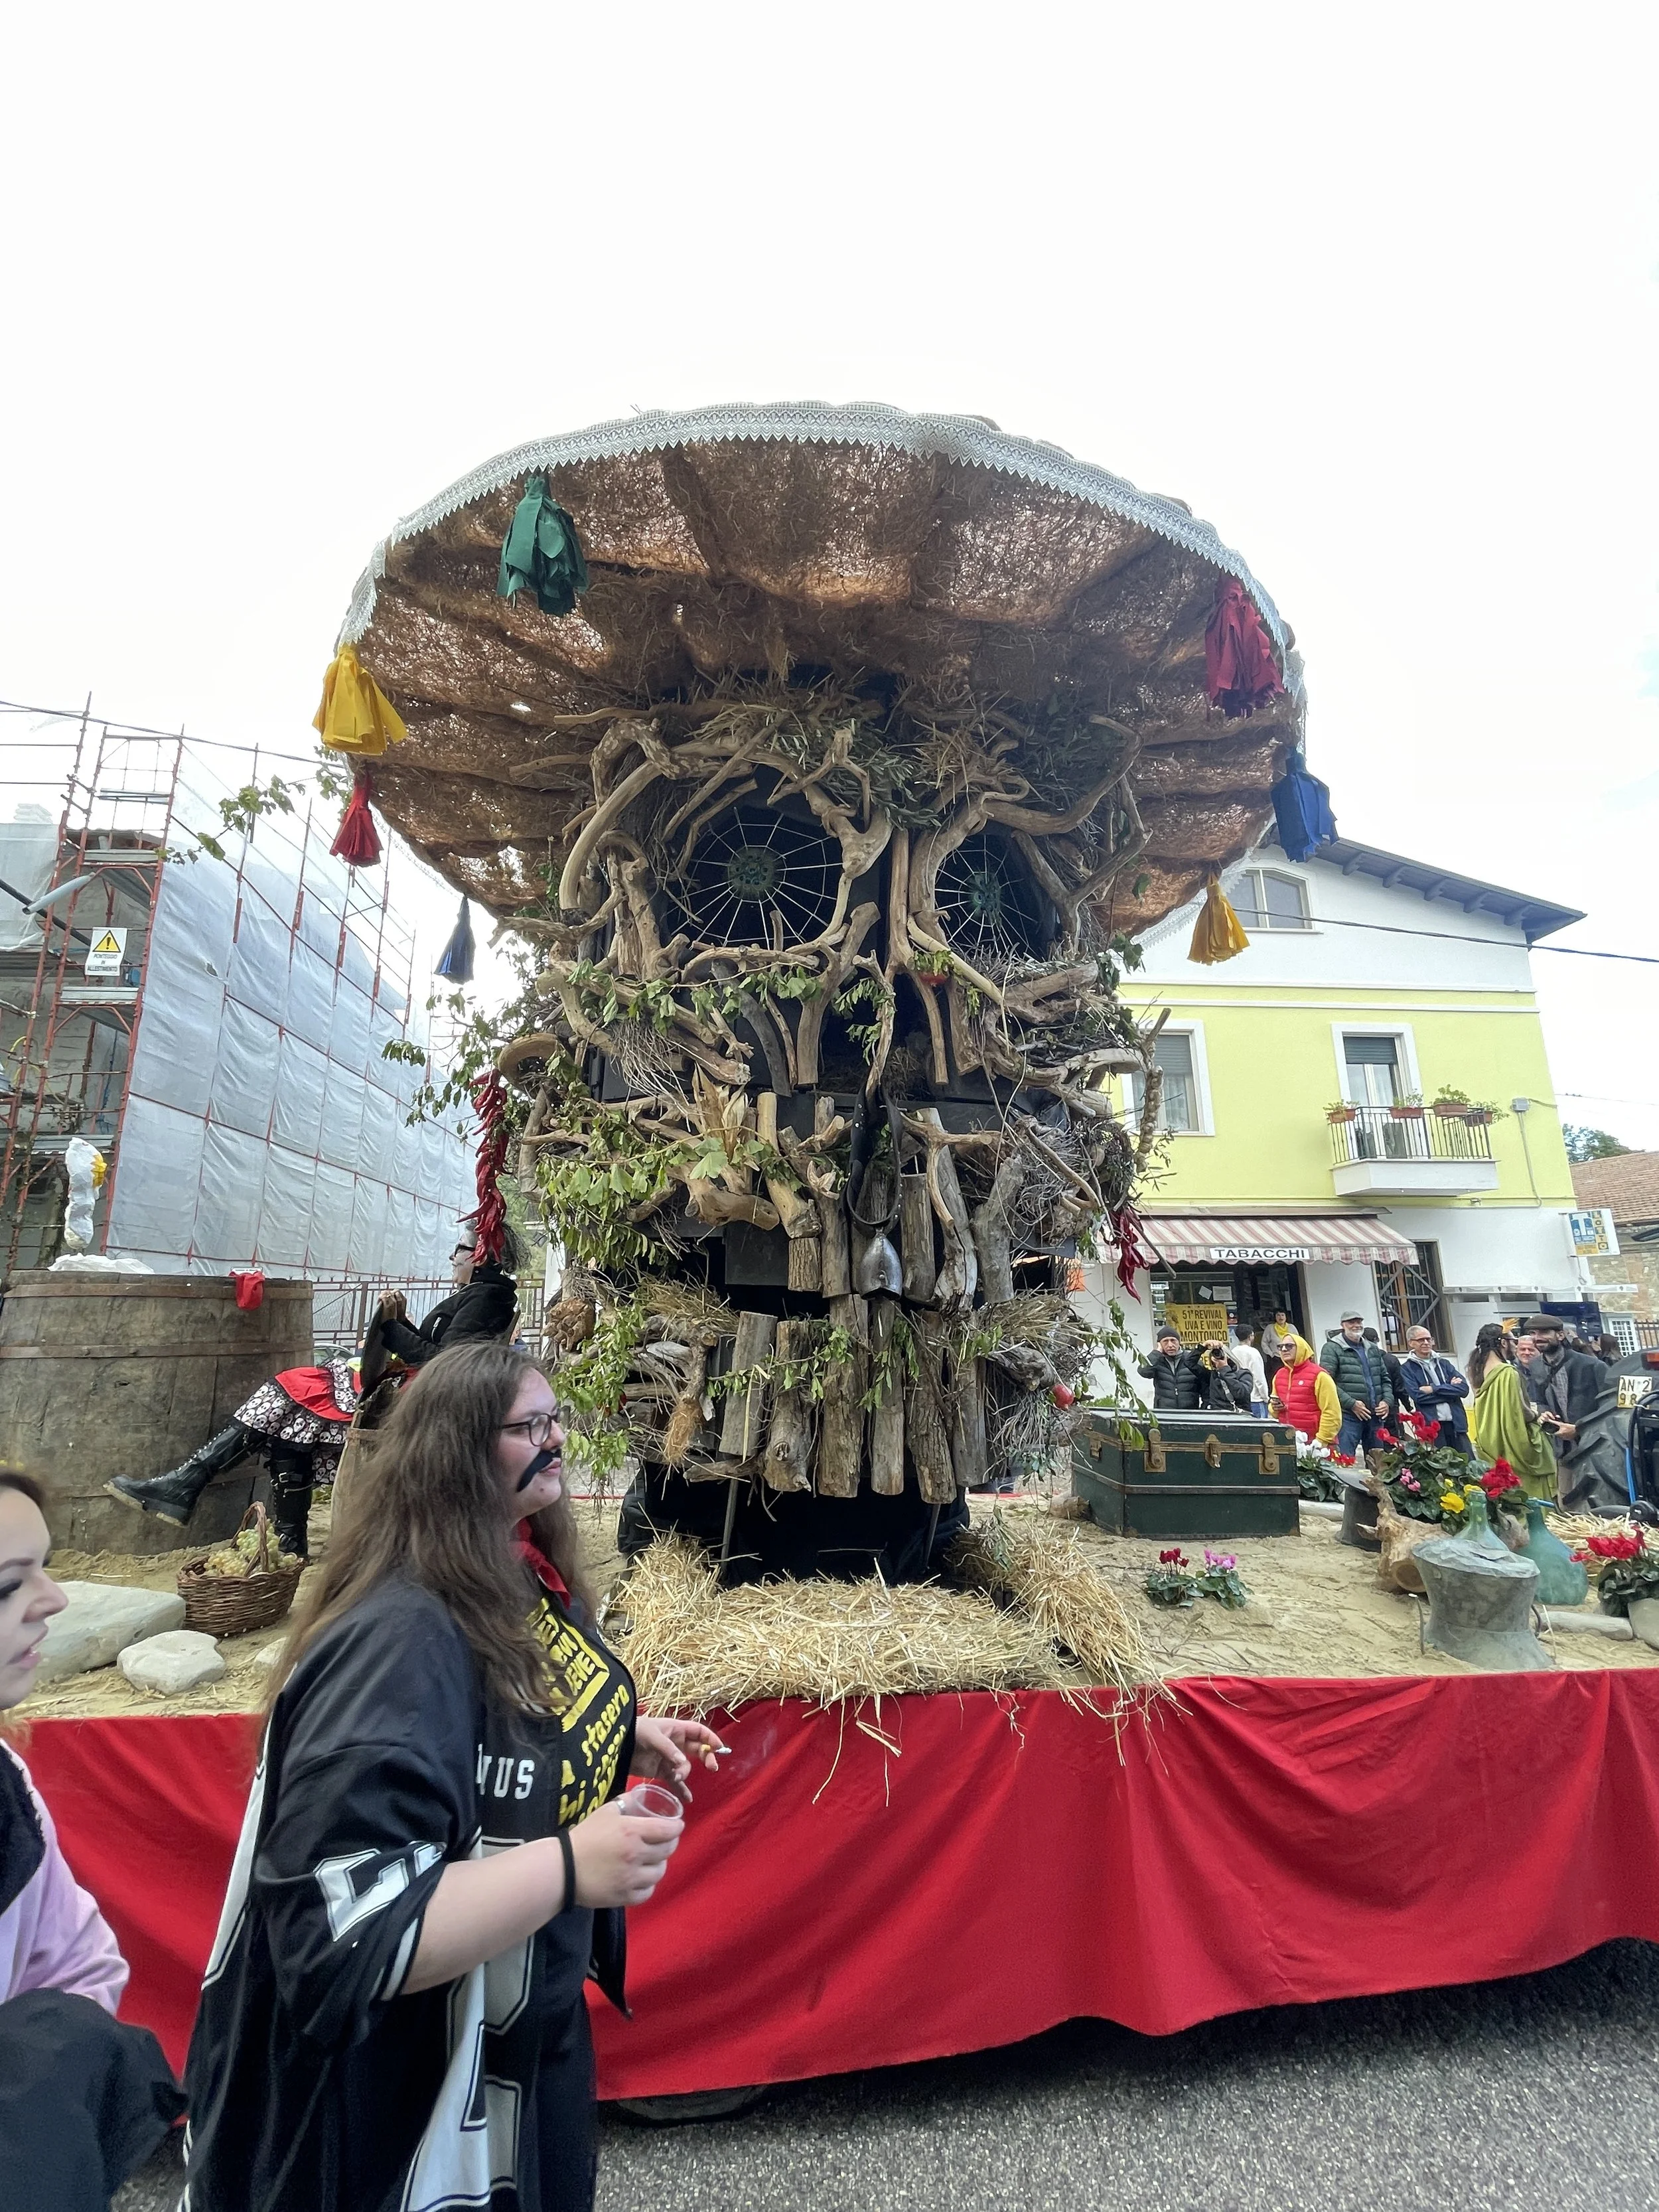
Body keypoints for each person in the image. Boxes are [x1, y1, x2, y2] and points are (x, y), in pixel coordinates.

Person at [180, 1343, 722, 2212]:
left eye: (556, 1422)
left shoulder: (512, 1570)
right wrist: (573, 1865)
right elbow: (339, 1935)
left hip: (508, 2041)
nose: (555, 1442)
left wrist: (607, 1739)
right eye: (527, 1427)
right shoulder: (397, 1638)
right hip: (403, 2094)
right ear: (457, 1453)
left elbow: (483, 1742)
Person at [0, 1471, 184, 2210]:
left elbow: (78, 1968)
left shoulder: (8, 1786)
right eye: (10, 1585)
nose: (55, 1600)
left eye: (46, 1568)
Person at [105, 1350, 356, 1559]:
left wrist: (389, 1326)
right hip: (378, 1377)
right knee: (293, 1417)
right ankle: (290, 1541)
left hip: (391, 1391)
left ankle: (186, 1482)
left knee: (301, 1389)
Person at [1523, 1314, 1624, 1514]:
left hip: (1599, 1450)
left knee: (1603, 1510)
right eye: (1533, 1333)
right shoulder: (1535, 1366)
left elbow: (1613, 1407)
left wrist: (1579, 1429)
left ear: (1560, 1335)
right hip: (1563, 1450)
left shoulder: (1592, 1366)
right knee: (1567, 1506)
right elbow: (1541, 1400)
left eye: (1544, 1332)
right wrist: (1545, 1416)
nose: (1537, 1338)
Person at [1467, 1321, 1556, 1499]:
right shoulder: (1508, 1373)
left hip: (1489, 1441)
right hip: (1513, 1443)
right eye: (1513, 1341)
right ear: (1502, 1343)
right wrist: (1537, 1415)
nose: (1515, 1347)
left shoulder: (1476, 1371)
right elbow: (1520, 1412)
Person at [1319, 1310, 1398, 1459]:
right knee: (1346, 1460)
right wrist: (1352, 1403)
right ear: (1343, 1325)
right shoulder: (1332, 1348)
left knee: (1379, 1462)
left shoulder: (1372, 1348)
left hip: (1375, 1415)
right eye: (1351, 1322)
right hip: (1348, 1415)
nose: (1356, 1325)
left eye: (1359, 1322)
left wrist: (1387, 1401)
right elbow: (1327, 1382)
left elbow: (1385, 1378)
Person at [1398, 1325, 1473, 1455]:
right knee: (1440, 1469)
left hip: (1456, 1424)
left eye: (1429, 1339)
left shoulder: (1444, 1364)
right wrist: (1451, 1392)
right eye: (1421, 1340)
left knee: (1467, 1465)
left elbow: (1464, 1390)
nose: (1426, 1343)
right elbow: (1419, 1397)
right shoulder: (1407, 1369)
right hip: (1432, 1428)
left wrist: (1434, 1389)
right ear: (1411, 1343)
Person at [1268, 1334, 1342, 1445]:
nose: (1284, 1350)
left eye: (1289, 1346)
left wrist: (1320, 1442)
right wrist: (1274, 1408)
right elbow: (1273, 1411)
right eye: (1280, 1347)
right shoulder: (1279, 1375)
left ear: (1301, 1349)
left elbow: (1332, 1412)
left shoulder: (1320, 1375)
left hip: (1316, 1444)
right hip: (1287, 1442)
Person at [1137, 1328, 1201, 1411]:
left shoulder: (1191, 1360)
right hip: (1164, 1413)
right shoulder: (1157, 1360)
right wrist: (1157, 1353)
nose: (1170, 1345)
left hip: (1190, 1413)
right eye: (1165, 1341)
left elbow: (1205, 1387)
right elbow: (1144, 1372)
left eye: (1173, 1340)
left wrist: (1204, 1409)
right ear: (1160, 1344)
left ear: (1179, 1342)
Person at [1197, 1341, 1252, 1414]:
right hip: (1215, 1416)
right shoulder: (1212, 1375)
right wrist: (1202, 1347)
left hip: (1236, 1418)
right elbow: (1189, 1364)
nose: (1218, 1358)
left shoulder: (1244, 1374)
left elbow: (1241, 1393)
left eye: (1220, 1355)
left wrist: (1224, 1369)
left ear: (1229, 1357)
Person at [1230, 1325, 1270, 1418]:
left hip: (1240, 1400)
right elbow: (1259, 1378)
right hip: (1256, 1399)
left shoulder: (1233, 1352)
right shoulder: (1253, 1353)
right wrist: (1265, 1397)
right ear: (1250, 1336)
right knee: (1262, 1428)